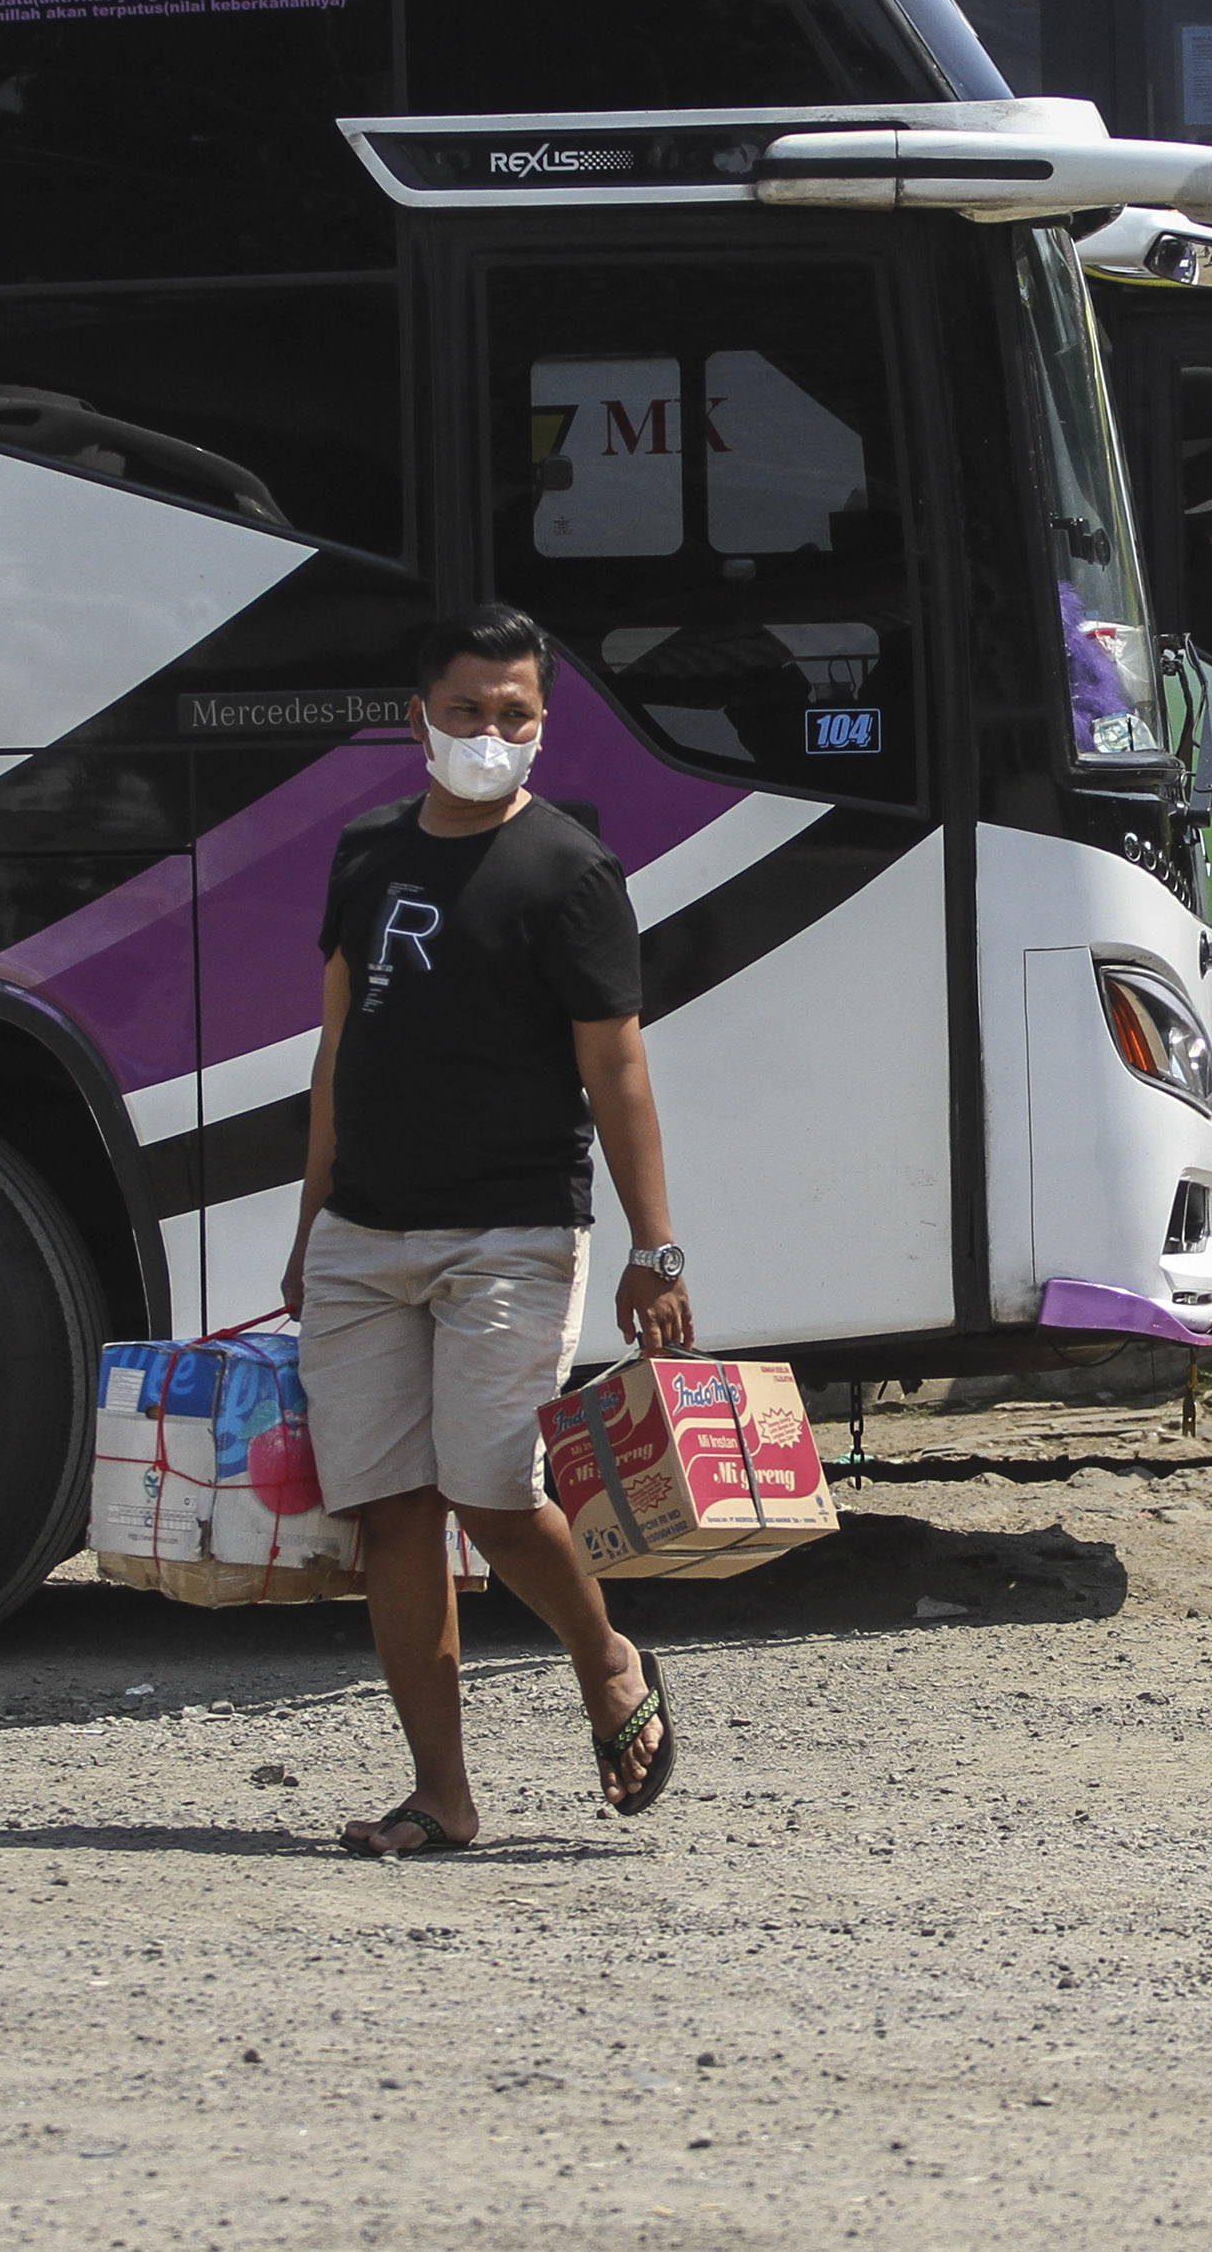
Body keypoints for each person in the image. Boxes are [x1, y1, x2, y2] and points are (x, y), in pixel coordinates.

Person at [284, 605, 693, 1855]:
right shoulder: (364, 853)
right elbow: (336, 1052)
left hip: (511, 1239)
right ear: (418, 716)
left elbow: (617, 1069)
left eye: (513, 714)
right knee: (391, 1515)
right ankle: (441, 1795)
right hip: (362, 1240)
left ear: (542, 725)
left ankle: (605, 1655)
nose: (487, 733)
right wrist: (309, 1224)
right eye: (464, 710)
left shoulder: (570, 870)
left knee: (493, 1495)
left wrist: (654, 1249)